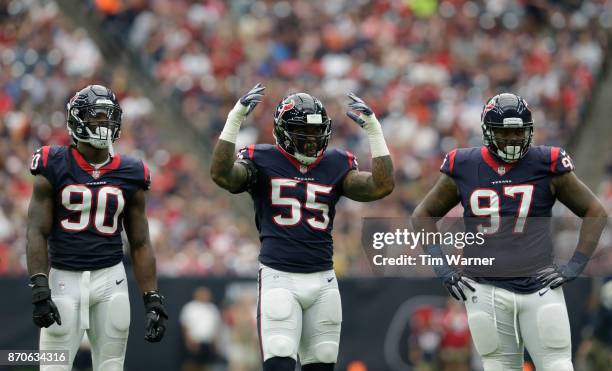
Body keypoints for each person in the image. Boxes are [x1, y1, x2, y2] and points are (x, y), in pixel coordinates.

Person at [412, 93, 608, 370]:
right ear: (487, 132)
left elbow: (595, 211)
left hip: (540, 285)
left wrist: (575, 264)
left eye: (519, 131)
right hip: (485, 287)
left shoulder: (547, 162)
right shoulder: (463, 165)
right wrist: (442, 268)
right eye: (504, 132)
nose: (513, 138)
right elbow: (422, 215)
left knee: (558, 365)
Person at [210, 84, 394, 371]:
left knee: (321, 365)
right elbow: (222, 175)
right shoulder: (262, 159)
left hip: (323, 281)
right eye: (303, 133)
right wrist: (234, 120)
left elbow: (381, 186)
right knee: (280, 361)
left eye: (315, 132)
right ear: (283, 132)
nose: (311, 141)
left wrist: (374, 132)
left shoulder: (336, 163)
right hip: (279, 276)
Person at [26, 84, 168, 370]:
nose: (105, 123)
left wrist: (152, 298)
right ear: (77, 119)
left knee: (111, 366)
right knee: (53, 365)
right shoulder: (53, 163)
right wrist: (40, 286)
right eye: (97, 116)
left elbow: (140, 242)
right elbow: (36, 231)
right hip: (64, 279)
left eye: (109, 117)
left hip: (110, 279)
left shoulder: (131, 171)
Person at [180, 287, 222, 371]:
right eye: (202, 294)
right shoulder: (190, 307)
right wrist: (189, 340)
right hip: (195, 342)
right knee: (192, 364)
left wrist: (215, 342)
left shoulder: (213, 308)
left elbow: (216, 327)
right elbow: (185, 325)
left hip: (208, 342)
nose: (204, 296)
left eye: (206, 294)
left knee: (206, 365)